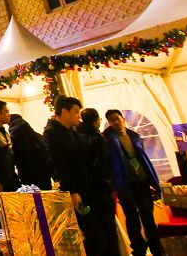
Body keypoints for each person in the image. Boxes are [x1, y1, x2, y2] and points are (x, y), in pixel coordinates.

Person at [44, 96, 113, 256]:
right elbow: (59, 165)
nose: (78, 116)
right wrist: (72, 190)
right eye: (75, 112)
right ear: (64, 112)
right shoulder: (52, 134)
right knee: (97, 239)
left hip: (89, 190)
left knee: (104, 237)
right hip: (76, 194)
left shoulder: (73, 131)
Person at [103, 109, 163, 256]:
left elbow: (144, 159)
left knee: (147, 215)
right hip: (124, 183)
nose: (115, 122)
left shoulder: (134, 136)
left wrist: (153, 181)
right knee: (132, 217)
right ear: (109, 123)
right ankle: (139, 249)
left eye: (117, 118)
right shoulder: (107, 140)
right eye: (112, 120)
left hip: (141, 181)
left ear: (123, 119)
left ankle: (156, 247)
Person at [75, 108, 120, 256]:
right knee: (109, 230)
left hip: (84, 193)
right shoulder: (98, 138)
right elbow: (103, 166)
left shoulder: (74, 136)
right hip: (101, 191)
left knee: (94, 233)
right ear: (96, 121)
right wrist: (108, 184)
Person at [9, 113, 52, 190]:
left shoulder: (13, 139)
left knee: (32, 196)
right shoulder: (38, 136)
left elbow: (12, 159)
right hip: (44, 175)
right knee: (45, 195)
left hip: (26, 176)